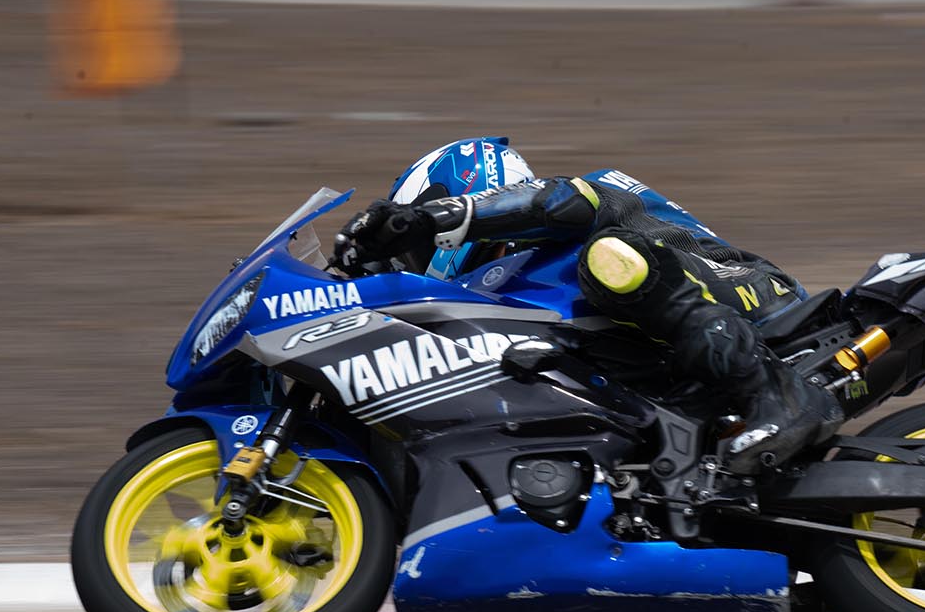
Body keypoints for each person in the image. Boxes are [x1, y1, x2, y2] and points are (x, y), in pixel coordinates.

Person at [331, 137, 839, 474]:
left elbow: (553, 201)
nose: (411, 260)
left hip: (752, 297)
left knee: (608, 259)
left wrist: (427, 218)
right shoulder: (507, 285)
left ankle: (781, 394)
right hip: (674, 373)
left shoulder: (581, 199)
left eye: (410, 248)